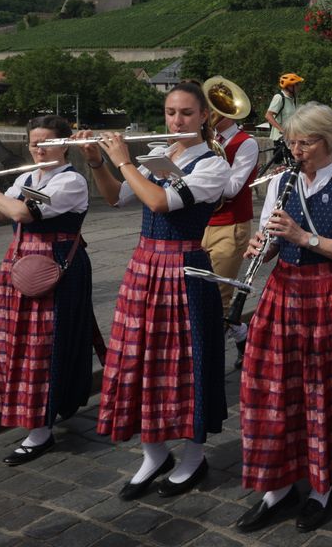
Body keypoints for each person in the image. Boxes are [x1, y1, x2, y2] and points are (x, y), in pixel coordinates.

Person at [87, 82, 230, 499]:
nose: (176, 121)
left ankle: (193, 455)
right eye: (170, 112)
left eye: (186, 113)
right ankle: (153, 452)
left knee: (188, 362)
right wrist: (99, 163)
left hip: (185, 269)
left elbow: (161, 203)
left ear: (204, 116)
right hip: (144, 267)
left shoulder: (212, 165)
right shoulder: (159, 157)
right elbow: (118, 198)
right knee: (139, 358)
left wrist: (124, 161)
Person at [236, 103, 332, 533]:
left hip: (326, 293)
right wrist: (265, 245)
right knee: (273, 387)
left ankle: (321, 487)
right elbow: (276, 240)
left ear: (328, 141)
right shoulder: (281, 182)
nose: (296, 150)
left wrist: (302, 236)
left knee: (322, 392)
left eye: (305, 142)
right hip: (283, 290)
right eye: (291, 142)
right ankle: (276, 488)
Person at [0, 115, 92, 464]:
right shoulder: (29, 176)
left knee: (44, 346)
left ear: (64, 144)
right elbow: (0, 214)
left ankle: (41, 429)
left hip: (55, 268)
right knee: (15, 342)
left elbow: (24, 213)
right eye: (33, 142)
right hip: (20, 265)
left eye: (46, 142)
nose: (38, 148)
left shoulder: (71, 181)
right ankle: (32, 416)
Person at [203, 103, 259, 365]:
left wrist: (206, 165)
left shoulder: (245, 142)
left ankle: (207, 366)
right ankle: (242, 336)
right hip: (201, 223)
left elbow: (233, 188)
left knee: (218, 300)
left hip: (231, 225)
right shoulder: (204, 141)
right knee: (200, 294)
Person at [265, 73, 304, 143]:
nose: (299, 87)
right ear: (289, 86)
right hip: (280, 139)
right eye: (297, 84)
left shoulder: (294, 99)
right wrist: (282, 130)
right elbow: (268, 116)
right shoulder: (279, 97)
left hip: (291, 137)